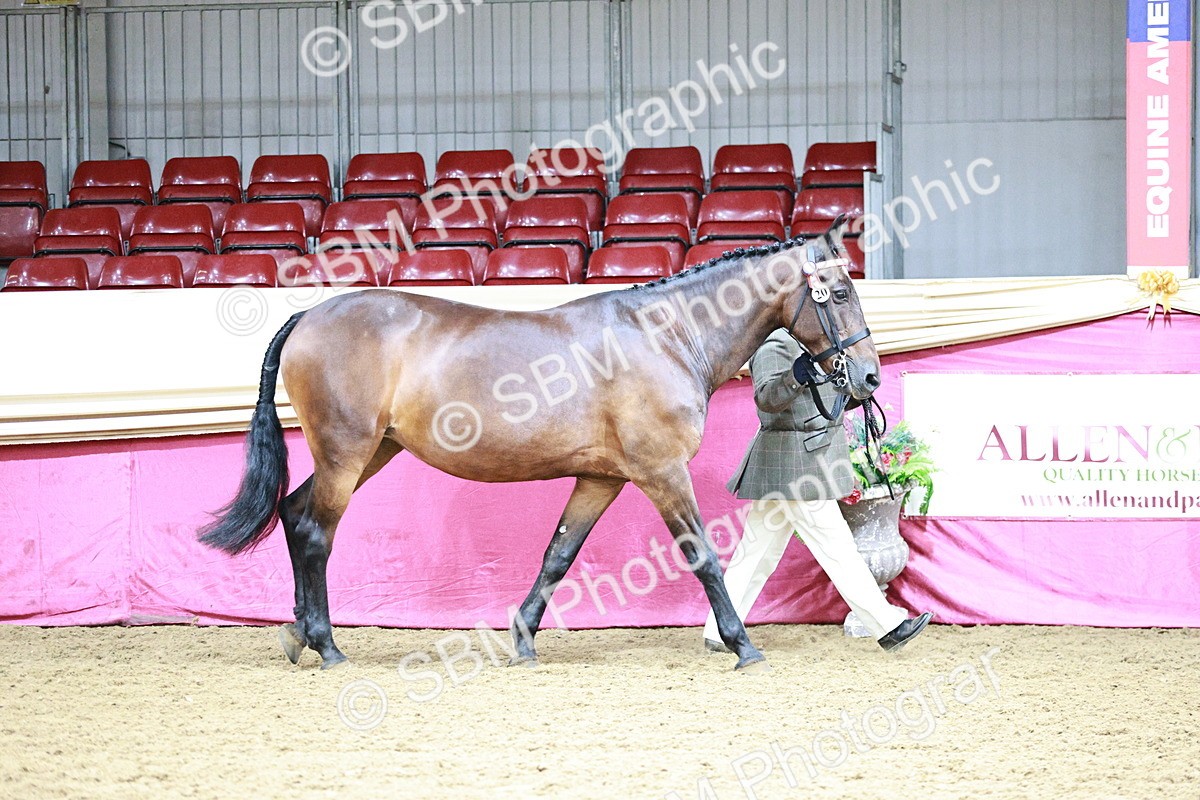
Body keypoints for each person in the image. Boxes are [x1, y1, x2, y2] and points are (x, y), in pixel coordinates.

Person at [703, 329, 932, 653]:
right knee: (838, 550)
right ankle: (888, 627)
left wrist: (855, 391)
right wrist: (797, 374)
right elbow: (767, 400)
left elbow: (821, 407)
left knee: (756, 555)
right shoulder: (774, 343)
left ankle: (720, 629)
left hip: (797, 464)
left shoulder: (808, 343)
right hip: (794, 464)